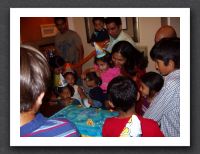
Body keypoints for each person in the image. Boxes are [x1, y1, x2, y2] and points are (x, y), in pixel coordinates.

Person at [20, 45, 80, 137]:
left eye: (62, 69)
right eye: (58, 69)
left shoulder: (64, 76)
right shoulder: (66, 129)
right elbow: (51, 99)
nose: (60, 71)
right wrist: (58, 100)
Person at [144, 37, 180, 137]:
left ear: (170, 63)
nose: (156, 66)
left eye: (157, 62)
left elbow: (150, 117)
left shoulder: (172, 84)